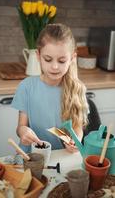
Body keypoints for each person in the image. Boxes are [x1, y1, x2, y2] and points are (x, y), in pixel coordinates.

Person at [11, 23, 89, 153]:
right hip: (31, 155)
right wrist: (23, 131)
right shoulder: (26, 87)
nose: (54, 67)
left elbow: (77, 128)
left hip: (61, 156)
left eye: (62, 61)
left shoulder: (77, 88)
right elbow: (21, 127)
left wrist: (76, 140)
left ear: (72, 59)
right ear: (38, 55)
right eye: (48, 59)